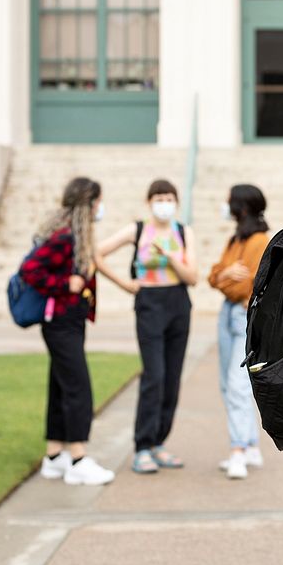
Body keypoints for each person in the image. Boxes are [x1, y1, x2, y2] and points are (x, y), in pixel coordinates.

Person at [96, 179, 197, 474]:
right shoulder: (137, 230)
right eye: (159, 198)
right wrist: (125, 284)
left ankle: (158, 442)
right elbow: (97, 253)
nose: (164, 203)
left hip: (178, 301)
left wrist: (170, 258)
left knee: (172, 378)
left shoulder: (182, 231)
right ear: (149, 201)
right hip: (149, 303)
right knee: (154, 375)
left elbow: (192, 276)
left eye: (169, 198)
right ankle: (142, 445)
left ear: (176, 202)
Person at [21, 176, 115, 486]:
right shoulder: (64, 237)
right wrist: (64, 285)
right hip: (60, 323)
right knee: (78, 388)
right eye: (98, 202)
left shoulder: (73, 235)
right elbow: (30, 270)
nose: (100, 208)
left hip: (68, 322)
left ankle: (54, 456)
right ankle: (77, 458)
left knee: (61, 386)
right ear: (88, 204)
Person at [208, 184, 269, 479]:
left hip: (243, 315)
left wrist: (225, 277)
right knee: (228, 383)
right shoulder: (236, 239)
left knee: (237, 385)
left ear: (241, 207)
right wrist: (225, 274)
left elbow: (245, 285)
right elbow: (214, 275)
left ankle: (238, 450)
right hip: (228, 314)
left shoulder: (258, 241)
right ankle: (249, 444)